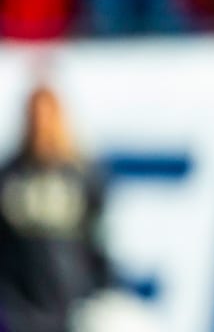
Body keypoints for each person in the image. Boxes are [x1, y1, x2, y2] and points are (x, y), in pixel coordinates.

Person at [0, 83, 111, 332]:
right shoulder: (9, 177)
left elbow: (98, 241)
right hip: (20, 308)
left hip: (70, 304)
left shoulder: (82, 176)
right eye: (35, 116)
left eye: (46, 116)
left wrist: (100, 292)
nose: (41, 124)